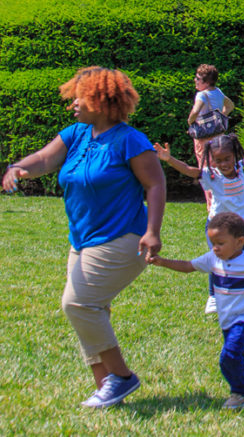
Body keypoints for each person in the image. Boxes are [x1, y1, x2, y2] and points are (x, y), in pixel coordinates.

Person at [1, 67, 165, 408]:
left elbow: (155, 184)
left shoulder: (130, 140)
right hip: (83, 240)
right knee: (91, 309)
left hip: (124, 238)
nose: (72, 103)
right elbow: (45, 159)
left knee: (77, 304)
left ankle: (121, 377)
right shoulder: (77, 134)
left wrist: (152, 231)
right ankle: (105, 388)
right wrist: (19, 168)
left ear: (102, 101)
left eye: (80, 97)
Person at [147, 212, 244, 409]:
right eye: (213, 243)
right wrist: (163, 262)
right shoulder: (213, 259)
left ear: (239, 242)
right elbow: (188, 266)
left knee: (229, 356)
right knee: (238, 358)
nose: (215, 248)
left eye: (220, 243)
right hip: (227, 321)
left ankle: (241, 393)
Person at [153, 119, 244, 314]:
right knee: (218, 259)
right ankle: (213, 296)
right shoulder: (212, 176)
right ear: (212, 160)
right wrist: (169, 159)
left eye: (227, 159)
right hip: (217, 228)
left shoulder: (243, 169)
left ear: (234, 156)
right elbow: (189, 170)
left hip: (238, 230)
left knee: (242, 262)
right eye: (218, 160)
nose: (223, 164)